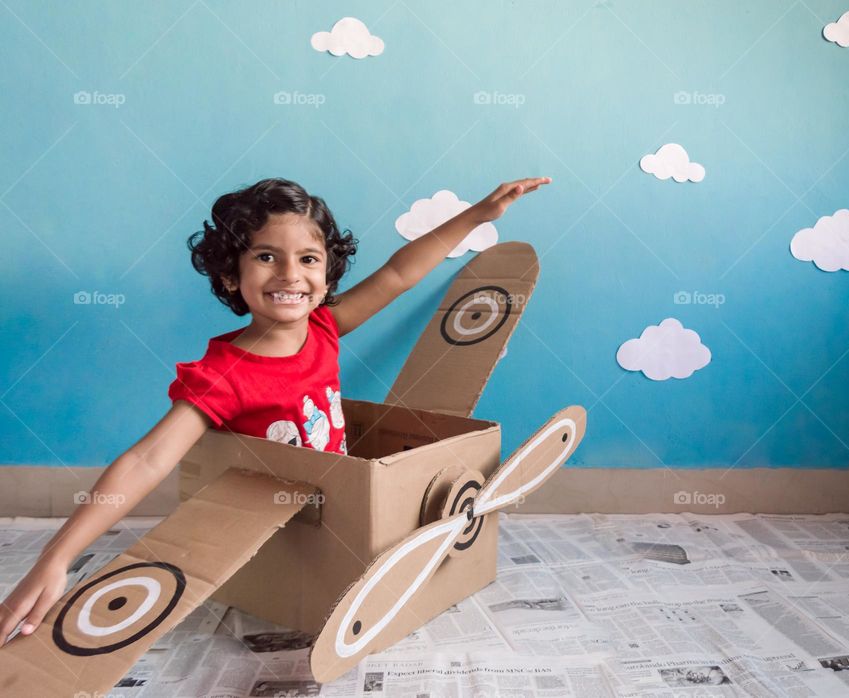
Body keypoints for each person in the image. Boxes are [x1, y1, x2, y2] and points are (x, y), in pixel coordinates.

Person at [0, 175, 550, 647]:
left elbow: (397, 275)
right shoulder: (223, 375)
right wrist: (56, 557)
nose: (290, 274)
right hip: (283, 535)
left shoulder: (325, 327)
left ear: (327, 276)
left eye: (308, 259)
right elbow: (148, 459)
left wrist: (478, 215)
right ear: (229, 276)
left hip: (343, 509)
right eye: (267, 257)